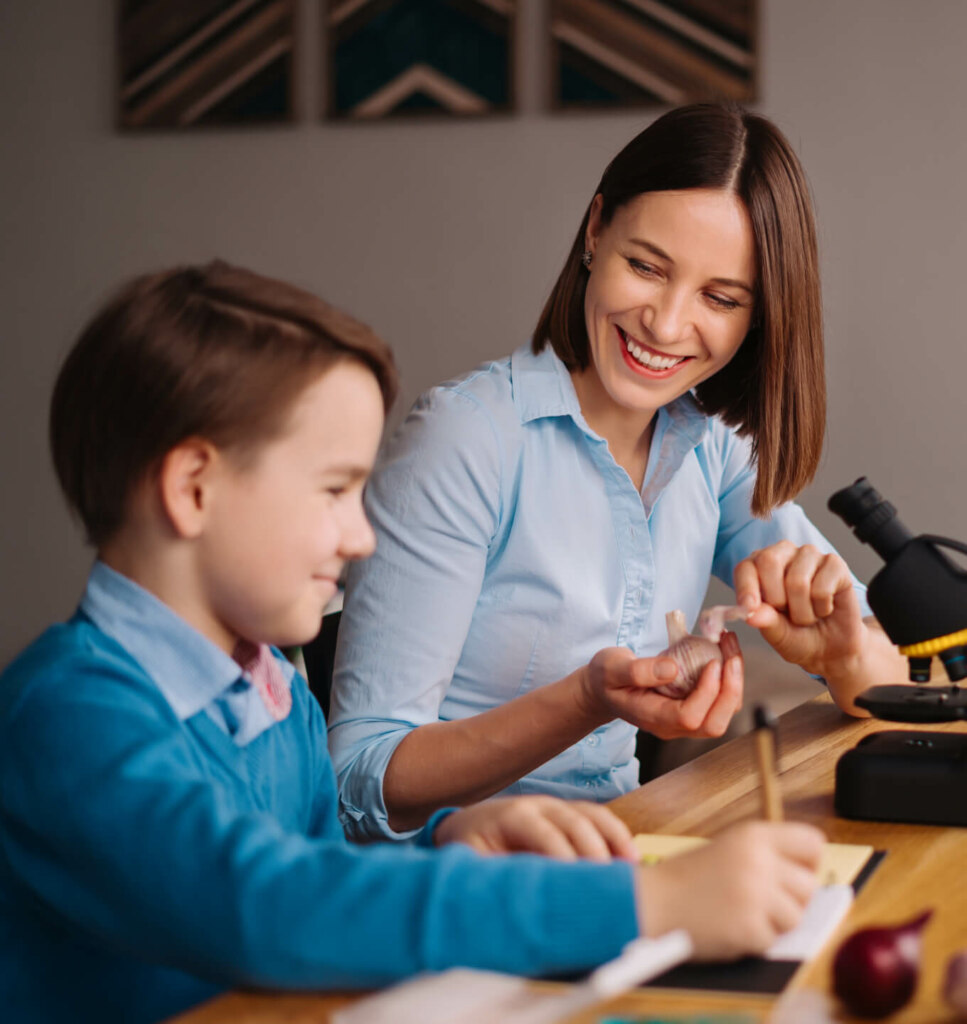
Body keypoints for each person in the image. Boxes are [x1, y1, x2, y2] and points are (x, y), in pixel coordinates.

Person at [0, 262, 825, 1024]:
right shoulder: (69, 715)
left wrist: (453, 836)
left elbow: (321, 867)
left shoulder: (269, 689)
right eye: (335, 491)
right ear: (192, 489)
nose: (361, 538)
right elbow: (271, 907)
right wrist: (648, 906)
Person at [328, 102, 907, 842]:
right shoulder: (466, 438)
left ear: (760, 315)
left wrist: (844, 652)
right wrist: (588, 699)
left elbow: (901, 691)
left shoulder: (712, 447)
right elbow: (359, 781)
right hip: (457, 888)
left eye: (720, 298)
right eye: (645, 266)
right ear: (595, 230)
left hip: (620, 854)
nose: (665, 325)